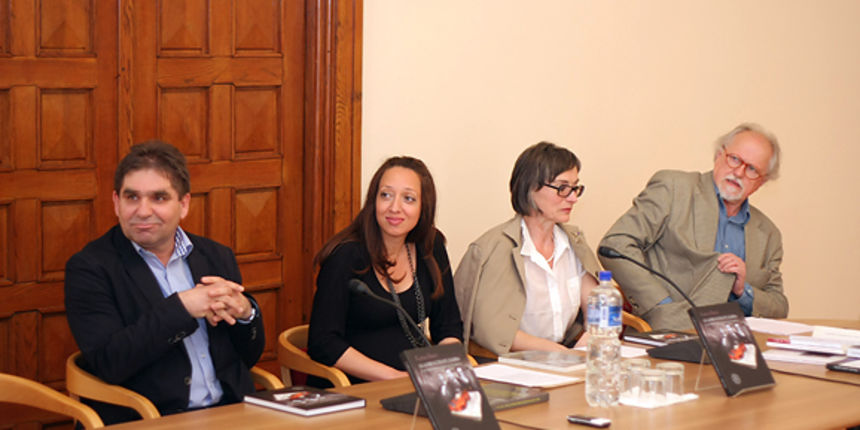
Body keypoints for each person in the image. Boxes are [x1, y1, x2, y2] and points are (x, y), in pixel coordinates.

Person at [64, 141, 264, 425]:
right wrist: (182, 308)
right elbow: (110, 362)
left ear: (183, 205)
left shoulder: (216, 256)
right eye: (132, 197)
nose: (143, 211)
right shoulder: (90, 268)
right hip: (150, 418)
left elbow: (247, 356)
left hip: (230, 413)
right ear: (116, 203)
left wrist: (246, 313)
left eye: (159, 198)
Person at [599, 123, 788, 330]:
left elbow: (778, 305)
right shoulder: (674, 189)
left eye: (752, 169)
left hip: (735, 345)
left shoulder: (768, 234)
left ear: (762, 182)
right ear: (718, 155)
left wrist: (744, 291)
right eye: (734, 159)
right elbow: (616, 245)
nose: (739, 172)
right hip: (669, 333)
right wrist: (660, 306)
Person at [307, 156, 463, 384]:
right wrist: (394, 377)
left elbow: (448, 325)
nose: (394, 207)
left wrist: (442, 370)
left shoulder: (431, 246)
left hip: (416, 382)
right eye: (386, 195)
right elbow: (323, 342)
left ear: (424, 206)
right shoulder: (345, 256)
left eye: (408, 198)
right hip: (354, 387)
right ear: (373, 201)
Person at [454, 142, 601, 357]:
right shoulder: (494, 249)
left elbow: (598, 303)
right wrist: (559, 354)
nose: (573, 198)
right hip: (512, 364)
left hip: (567, 356)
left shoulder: (573, 242)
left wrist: (591, 339)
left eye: (575, 187)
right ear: (530, 188)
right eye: (562, 188)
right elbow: (495, 332)